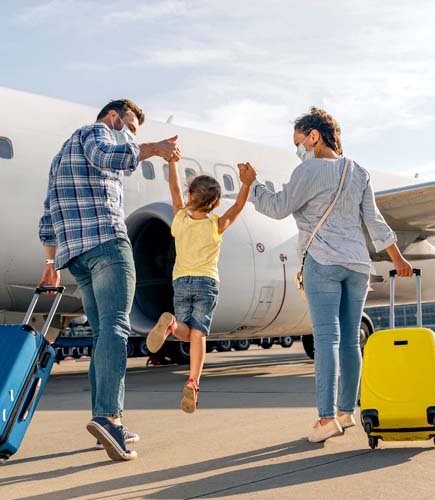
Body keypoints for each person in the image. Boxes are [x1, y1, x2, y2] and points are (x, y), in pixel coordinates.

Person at [238, 107, 413, 443]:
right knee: (350, 342)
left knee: (327, 340)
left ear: (314, 137)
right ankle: (347, 412)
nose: (298, 149)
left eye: (298, 142)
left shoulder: (309, 170)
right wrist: (398, 259)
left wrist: (252, 184)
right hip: (359, 265)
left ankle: (325, 418)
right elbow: (374, 222)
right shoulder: (358, 171)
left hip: (323, 262)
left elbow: (277, 208)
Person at [37, 99, 181, 461]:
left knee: (103, 335)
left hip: (76, 257)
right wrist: (153, 149)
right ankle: (109, 417)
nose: (132, 136)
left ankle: (106, 416)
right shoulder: (98, 132)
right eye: (131, 128)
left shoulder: (59, 158)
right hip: (106, 244)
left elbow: (47, 213)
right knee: (117, 330)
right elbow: (108, 157)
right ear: (114, 117)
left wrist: (49, 262)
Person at [145, 160, 252, 413]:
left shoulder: (180, 219)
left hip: (181, 280)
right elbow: (237, 207)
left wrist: (172, 163)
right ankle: (194, 380)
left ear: (189, 195)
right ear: (215, 204)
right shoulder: (215, 225)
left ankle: (171, 325)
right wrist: (246, 183)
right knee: (199, 334)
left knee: (185, 331)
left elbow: (173, 189)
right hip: (207, 282)